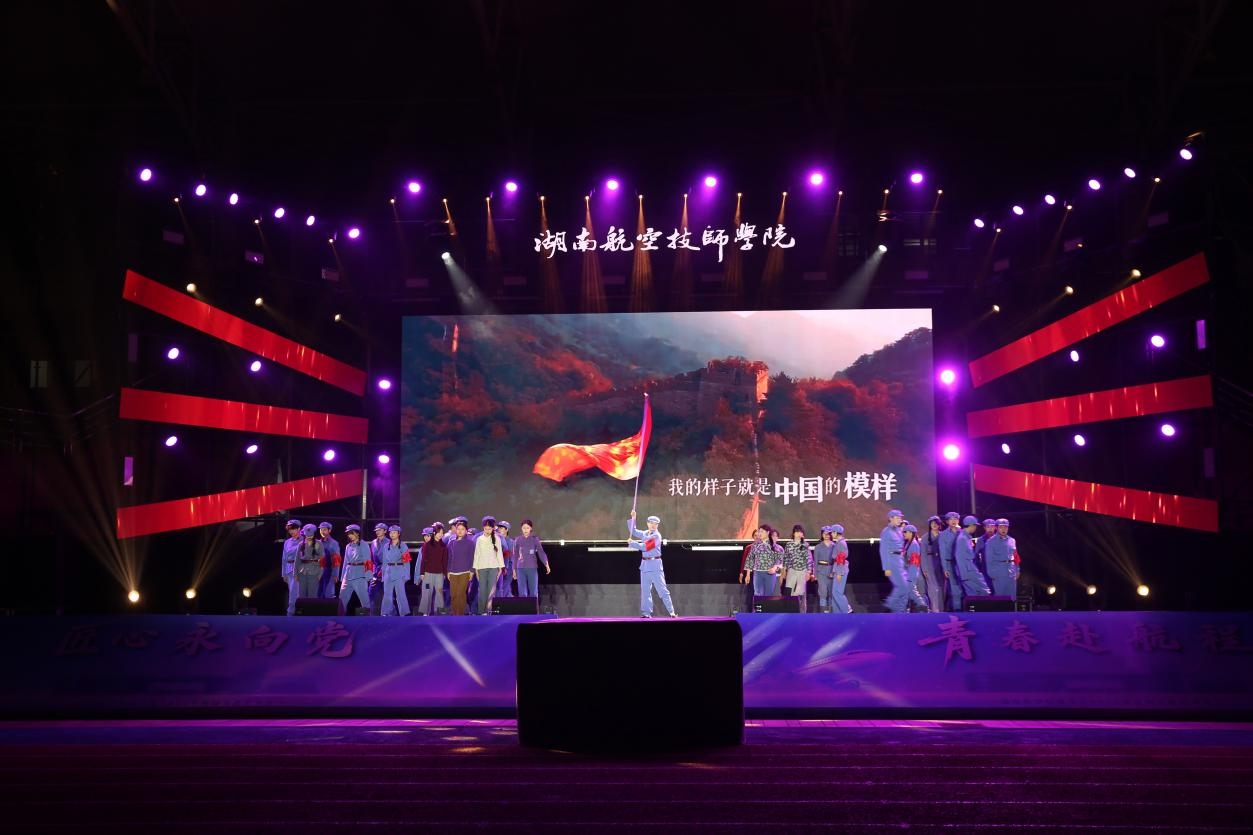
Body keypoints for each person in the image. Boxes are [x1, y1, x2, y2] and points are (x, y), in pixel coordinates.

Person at [628, 510, 676, 618]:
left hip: (655, 566)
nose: (653, 525)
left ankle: (671, 612)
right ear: (647, 523)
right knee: (645, 591)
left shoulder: (657, 536)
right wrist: (633, 518)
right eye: (651, 523)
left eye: (655, 524)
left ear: (657, 525)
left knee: (662, 590)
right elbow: (633, 531)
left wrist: (632, 543)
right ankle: (646, 613)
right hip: (645, 566)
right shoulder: (645, 533)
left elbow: (645, 547)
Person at [954, 515, 992, 608]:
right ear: (971, 525)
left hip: (968, 570)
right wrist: (964, 574)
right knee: (984, 591)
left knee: (973, 595)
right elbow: (959, 557)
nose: (975, 528)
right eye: (975, 526)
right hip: (968, 571)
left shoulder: (966, 537)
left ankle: (977, 614)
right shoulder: (962, 539)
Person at [879, 509, 910, 613]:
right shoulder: (886, 532)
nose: (900, 520)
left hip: (899, 560)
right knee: (902, 587)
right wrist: (886, 568)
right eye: (897, 518)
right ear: (890, 518)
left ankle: (900, 611)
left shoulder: (899, 530)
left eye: (900, 518)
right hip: (892, 561)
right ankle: (889, 604)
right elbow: (883, 551)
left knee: (906, 588)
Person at [377, 524, 412, 616]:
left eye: (394, 532)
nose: (392, 534)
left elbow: (407, 562)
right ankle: (385, 612)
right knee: (387, 594)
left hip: (399, 572)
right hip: (388, 572)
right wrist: (383, 575)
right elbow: (384, 562)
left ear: (398, 534)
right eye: (390, 532)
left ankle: (404, 613)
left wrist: (406, 575)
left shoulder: (403, 546)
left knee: (401, 594)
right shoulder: (386, 546)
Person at [473, 516, 505, 615]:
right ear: (483, 528)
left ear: (493, 528)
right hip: (481, 567)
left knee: (491, 591)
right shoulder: (479, 539)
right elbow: (477, 554)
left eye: (489, 529)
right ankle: (480, 612)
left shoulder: (497, 539)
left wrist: (500, 568)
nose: (487, 531)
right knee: (482, 590)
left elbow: (499, 554)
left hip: (493, 567)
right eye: (486, 528)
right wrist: (476, 569)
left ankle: (489, 612)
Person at [512, 519, 551, 599]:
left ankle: (534, 607)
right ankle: (524, 607)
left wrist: (546, 564)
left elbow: (541, 552)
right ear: (521, 528)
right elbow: (515, 555)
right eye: (524, 528)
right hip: (520, 568)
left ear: (531, 528)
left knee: (533, 591)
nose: (525, 530)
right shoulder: (518, 539)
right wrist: (514, 570)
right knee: (522, 592)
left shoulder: (535, 539)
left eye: (527, 528)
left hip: (532, 568)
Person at [339, 524, 372, 613]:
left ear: (357, 533)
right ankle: (340, 618)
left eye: (351, 533)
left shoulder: (364, 545)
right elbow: (345, 562)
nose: (349, 535)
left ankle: (368, 619)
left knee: (364, 599)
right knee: (341, 599)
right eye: (348, 533)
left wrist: (368, 576)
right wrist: (342, 577)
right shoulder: (348, 546)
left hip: (360, 575)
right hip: (348, 575)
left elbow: (368, 561)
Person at [416, 526, 449, 615]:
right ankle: (424, 612)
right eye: (439, 532)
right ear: (434, 533)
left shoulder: (444, 546)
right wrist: (422, 573)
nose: (441, 534)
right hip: (427, 575)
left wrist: (445, 574)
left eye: (442, 533)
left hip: (439, 575)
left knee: (439, 593)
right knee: (426, 592)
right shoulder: (427, 545)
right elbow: (424, 560)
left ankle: (440, 613)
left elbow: (444, 562)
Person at [985, 517, 1022, 598]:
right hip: (999, 573)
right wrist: (992, 574)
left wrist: (1017, 569)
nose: (1003, 529)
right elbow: (989, 560)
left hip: (1011, 572)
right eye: (1001, 527)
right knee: (1000, 598)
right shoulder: (991, 542)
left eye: (1005, 527)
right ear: (996, 528)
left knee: (1012, 598)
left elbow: (1015, 556)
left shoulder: (1012, 540)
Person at [445, 519, 476, 615]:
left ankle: (460, 614)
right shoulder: (451, 543)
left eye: (462, 529)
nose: (460, 531)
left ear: (466, 530)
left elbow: (472, 557)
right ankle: (455, 614)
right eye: (458, 529)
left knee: (461, 593)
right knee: (453, 594)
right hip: (453, 572)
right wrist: (448, 571)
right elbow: (449, 558)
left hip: (465, 572)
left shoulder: (470, 543)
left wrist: (472, 571)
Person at [781, 524, 814, 613]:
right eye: (797, 532)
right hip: (791, 571)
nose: (799, 534)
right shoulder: (789, 544)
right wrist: (784, 570)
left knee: (800, 593)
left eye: (800, 532)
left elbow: (809, 559)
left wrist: (809, 572)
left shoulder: (805, 544)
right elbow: (786, 558)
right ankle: (791, 612)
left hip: (802, 571)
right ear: (793, 533)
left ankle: (802, 613)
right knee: (789, 592)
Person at [744, 525, 783, 598]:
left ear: (768, 532)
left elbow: (779, 559)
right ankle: (758, 606)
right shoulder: (755, 545)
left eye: (762, 531)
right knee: (758, 594)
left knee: (769, 595)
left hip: (770, 574)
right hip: (758, 573)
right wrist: (748, 575)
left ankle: (767, 606)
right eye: (759, 532)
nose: (759, 533)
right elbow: (750, 559)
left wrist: (774, 568)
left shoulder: (774, 546)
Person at [937, 512, 963, 612]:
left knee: (964, 587)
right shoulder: (943, 535)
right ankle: (957, 611)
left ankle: (963, 609)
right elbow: (942, 553)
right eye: (951, 519)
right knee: (955, 589)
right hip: (950, 564)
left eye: (955, 519)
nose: (953, 521)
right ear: (947, 521)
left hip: (962, 564)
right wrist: (945, 568)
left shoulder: (962, 533)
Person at [921, 516, 947, 613]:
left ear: (939, 524)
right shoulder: (925, 537)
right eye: (932, 523)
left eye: (936, 523)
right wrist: (924, 568)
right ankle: (935, 609)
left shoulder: (942, 536)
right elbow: (923, 554)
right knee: (933, 587)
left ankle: (942, 609)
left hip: (940, 563)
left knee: (942, 587)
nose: (934, 525)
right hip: (929, 563)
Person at [902, 524, 930, 612]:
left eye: (905, 532)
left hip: (912, 572)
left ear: (911, 533)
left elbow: (914, 562)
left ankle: (923, 606)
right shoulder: (908, 544)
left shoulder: (914, 545)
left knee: (912, 591)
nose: (904, 534)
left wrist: (911, 575)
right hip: (908, 572)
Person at [813, 526, 839, 613]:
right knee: (823, 593)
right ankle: (823, 614)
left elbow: (837, 561)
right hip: (821, 572)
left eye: (828, 534)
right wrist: (815, 574)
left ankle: (831, 613)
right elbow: (815, 561)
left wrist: (835, 572)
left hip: (832, 571)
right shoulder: (818, 547)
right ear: (822, 535)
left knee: (832, 593)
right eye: (824, 534)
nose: (826, 535)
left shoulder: (835, 546)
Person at [297, 524, 324, 600]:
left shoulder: (319, 544)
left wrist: (320, 573)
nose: (309, 537)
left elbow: (322, 560)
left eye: (311, 536)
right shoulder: (301, 544)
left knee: (312, 596)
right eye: (307, 536)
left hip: (314, 572)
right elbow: (297, 560)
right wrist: (295, 574)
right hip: (302, 572)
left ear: (314, 534)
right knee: (301, 595)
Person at [281, 519, 303, 616]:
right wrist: (283, 574)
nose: (291, 531)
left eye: (293, 529)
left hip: (300, 568)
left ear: (298, 529)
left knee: (297, 593)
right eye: (289, 529)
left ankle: (294, 613)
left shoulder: (304, 540)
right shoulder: (287, 542)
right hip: (289, 569)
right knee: (292, 592)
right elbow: (284, 558)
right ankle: (292, 614)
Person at [829, 524, 852, 614]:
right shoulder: (839, 543)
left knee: (837, 592)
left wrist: (839, 573)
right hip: (838, 569)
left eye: (832, 532)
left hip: (841, 570)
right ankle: (837, 614)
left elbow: (841, 560)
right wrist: (834, 571)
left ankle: (846, 610)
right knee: (835, 592)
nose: (831, 534)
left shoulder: (841, 544)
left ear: (836, 533)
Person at [316, 522, 342, 598]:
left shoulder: (334, 543)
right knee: (317, 593)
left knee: (328, 594)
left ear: (329, 530)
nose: (322, 531)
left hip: (329, 570)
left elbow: (337, 560)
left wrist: (335, 574)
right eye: (321, 530)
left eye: (324, 529)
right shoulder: (317, 543)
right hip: (318, 571)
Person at [369, 522, 388, 615]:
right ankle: (373, 615)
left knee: (385, 594)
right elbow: (372, 559)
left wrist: (383, 570)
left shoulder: (389, 542)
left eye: (380, 530)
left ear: (385, 531)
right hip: (376, 571)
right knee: (372, 593)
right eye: (376, 530)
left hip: (387, 571)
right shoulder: (373, 542)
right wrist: (372, 573)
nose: (377, 532)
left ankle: (388, 614)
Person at [495, 520, 514, 599]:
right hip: (498, 567)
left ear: (507, 530)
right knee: (499, 588)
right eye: (499, 528)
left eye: (502, 528)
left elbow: (509, 555)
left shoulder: (511, 542)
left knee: (505, 587)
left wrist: (507, 567)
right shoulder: (497, 539)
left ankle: (502, 603)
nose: (499, 530)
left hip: (508, 568)